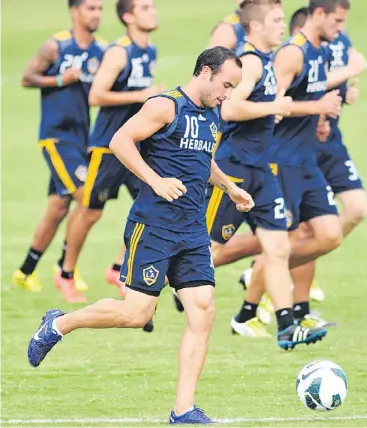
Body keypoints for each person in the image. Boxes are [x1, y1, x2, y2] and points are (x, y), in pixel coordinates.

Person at [28, 46, 254, 425]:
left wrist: (229, 187)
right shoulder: (165, 106)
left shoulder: (212, 113)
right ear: (204, 72)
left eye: (233, 87)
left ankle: (183, 410)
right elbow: (120, 140)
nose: (228, 94)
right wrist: (155, 180)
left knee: (203, 309)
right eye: (226, 84)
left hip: (192, 229)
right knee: (136, 314)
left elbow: (201, 157)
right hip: (154, 226)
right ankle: (59, 323)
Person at [208, 0, 329, 349]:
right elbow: (230, 108)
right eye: (276, 20)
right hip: (234, 171)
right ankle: (146, 288)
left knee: (277, 247)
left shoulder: (269, 62)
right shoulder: (250, 63)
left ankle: (286, 325)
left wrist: (270, 114)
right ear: (256, 27)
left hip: (262, 171)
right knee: (207, 249)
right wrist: (274, 107)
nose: (283, 25)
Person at [54, 0, 162, 306]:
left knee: (154, 203)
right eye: (145, 7)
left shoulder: (149, 50)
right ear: (128, 16)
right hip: (108, 147)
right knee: (90, 212)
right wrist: (143, 95)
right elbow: (96, 95)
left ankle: (117, 269)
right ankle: (65, 273)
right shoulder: (119, 52)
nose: (153, 11)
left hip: (137, 146)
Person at [13, 0, 105, 303]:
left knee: (58, 208)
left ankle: (25, 272)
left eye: (100, 9)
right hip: (56, 137)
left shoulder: (101, 51)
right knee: (86, 196)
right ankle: (66, 268)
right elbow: (27, 78)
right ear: (74, 11)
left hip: (81, 138)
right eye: (91, 8)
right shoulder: (56, 46)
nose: (96, 14)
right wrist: (60, 79)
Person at [288, 6, 367, 318]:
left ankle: (267, 271)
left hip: (332, 142)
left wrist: (349, 90)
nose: (340, 25)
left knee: (356, 210)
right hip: (302, 144)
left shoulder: (341, 37)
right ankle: (294, 306)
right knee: (307, 227)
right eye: (337, 19)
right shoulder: (302, 45)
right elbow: (305, 87)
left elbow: (341, 85)